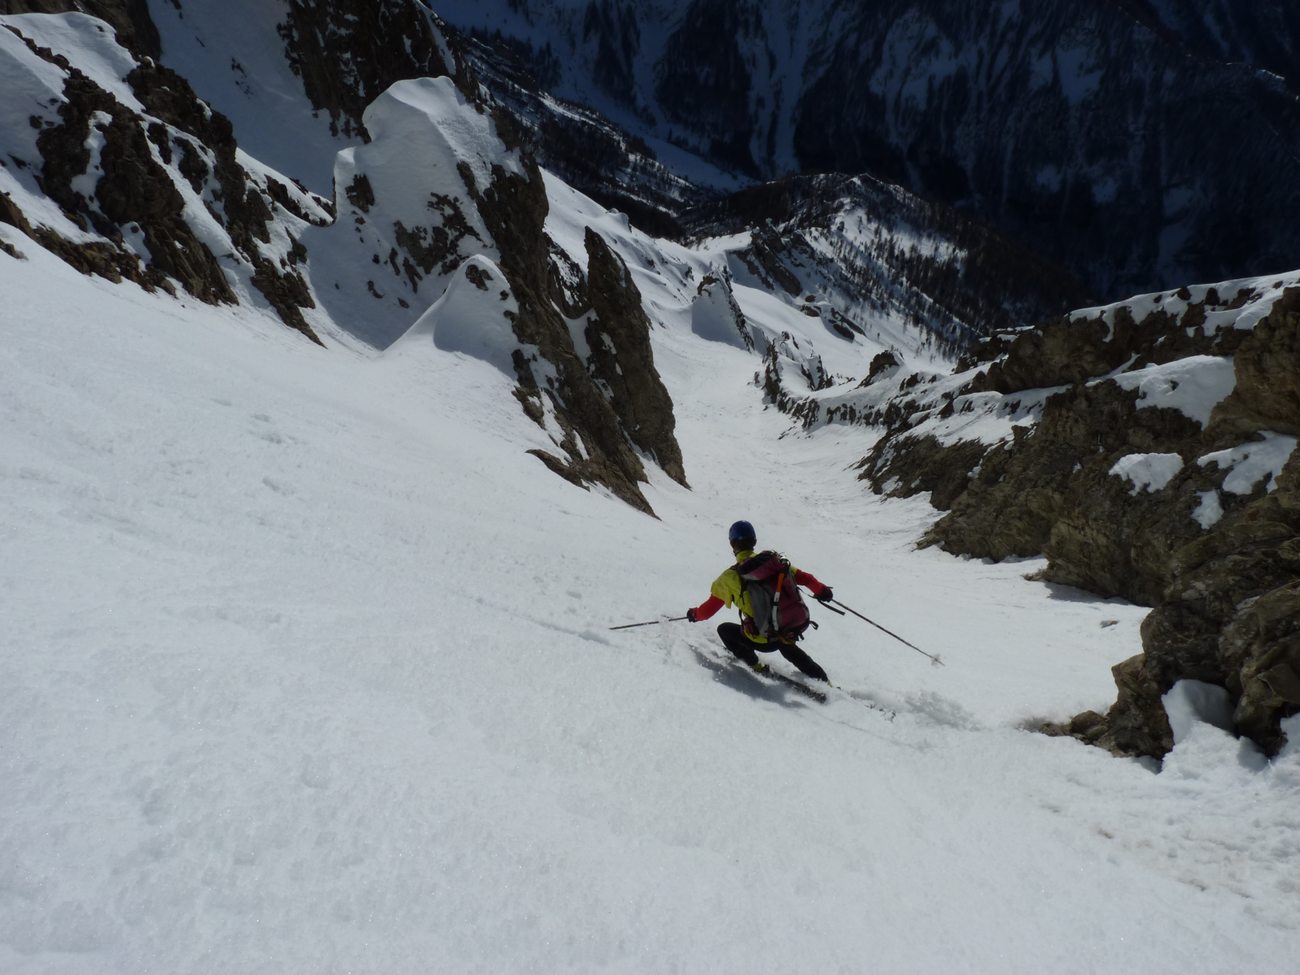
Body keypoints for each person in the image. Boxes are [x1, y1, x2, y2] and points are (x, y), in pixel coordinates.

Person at [686, 520, 834, 682]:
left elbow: (706, 612)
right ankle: (825, 683)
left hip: (762, 638)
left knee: (724, 630)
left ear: (732, 544)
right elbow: (806, 578)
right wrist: (823, 591)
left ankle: (755, 665)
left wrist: (694, 614)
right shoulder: (775, 563)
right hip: (789, 629)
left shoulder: (729, 578)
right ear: (754, 541)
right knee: (788, 647)